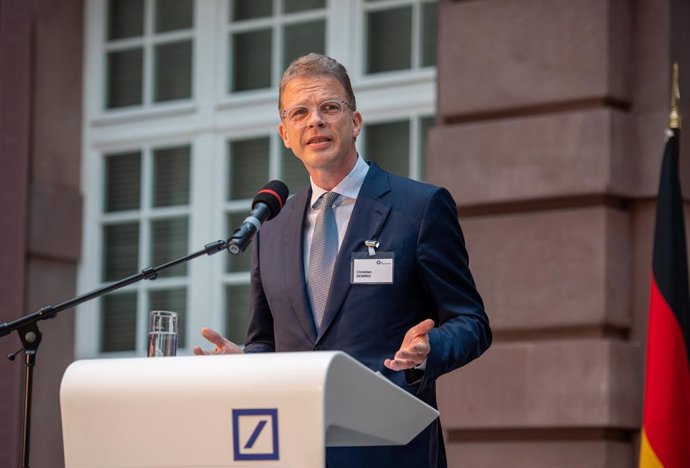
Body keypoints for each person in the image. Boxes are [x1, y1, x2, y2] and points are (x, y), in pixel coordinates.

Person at [194, 53, 491, 468]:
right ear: (285, 134)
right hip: (294, 449)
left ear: (354, 122)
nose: (314, 120)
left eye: (329, 107)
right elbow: (267, 342)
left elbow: (472, 323)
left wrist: (428, 350)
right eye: (300, 112)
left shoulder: (418, 207)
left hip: (391, 449)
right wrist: (244, 363)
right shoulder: (272, 229)